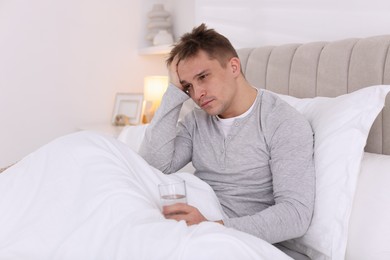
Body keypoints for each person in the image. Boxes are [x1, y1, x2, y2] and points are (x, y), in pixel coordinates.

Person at [139, 23, 315, 245]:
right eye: (188, 87)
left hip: (232, 240)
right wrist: (174, 91)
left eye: (203, 77)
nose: (197, 93)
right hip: (186, 228)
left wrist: (213, 229)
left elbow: (296, 214)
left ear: (233, 67)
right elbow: (153, 167)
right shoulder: (196, 121)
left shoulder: (281, 122)